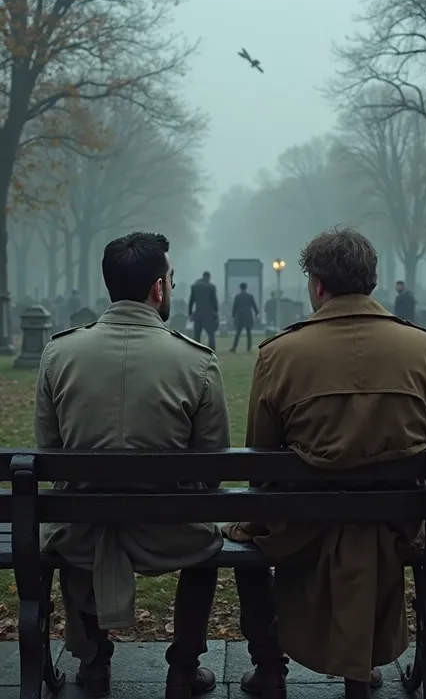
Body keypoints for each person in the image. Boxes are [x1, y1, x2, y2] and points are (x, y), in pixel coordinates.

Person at [224, 226, 426, 699]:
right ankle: (367, 662)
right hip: (397, 524)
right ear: (371, 281)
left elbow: (261, 462)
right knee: (365, 532)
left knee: (243, 544)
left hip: (305, 524)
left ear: (317, 286)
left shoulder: (279, 354)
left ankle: (270, 667)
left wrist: (247, 523)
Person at [35, 232, 230, 699]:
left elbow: (49, 452)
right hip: (171, 534)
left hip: (82, 531)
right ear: (159, 289)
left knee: (71, 515)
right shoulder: (196, 362)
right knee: (208, 541)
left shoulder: (59, 354)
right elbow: (212, 469)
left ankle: (95, 661)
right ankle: (183, 666)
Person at [188, 271, 219, 351]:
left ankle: (196, 350)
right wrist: (216, 313)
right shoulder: (211, 287)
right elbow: (215, 301)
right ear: (208, 277)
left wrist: (190, 313)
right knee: (211, 334)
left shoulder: (194, 286)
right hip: (208, 314)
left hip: (198, 313)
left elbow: (191, 301)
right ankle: (212, 350)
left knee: (197, 334)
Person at [231, 283, 259, 353]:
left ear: (240, 288)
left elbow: (235, 307)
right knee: (249, 333)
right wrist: (256, 313)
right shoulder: (250, 296)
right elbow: (254, 305)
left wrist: (233, 315)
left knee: (238, 333)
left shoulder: (237, 297)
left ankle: (234, 347)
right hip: (248, 316)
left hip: (240, 316)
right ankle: (249, 348)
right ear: (246, 288)